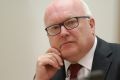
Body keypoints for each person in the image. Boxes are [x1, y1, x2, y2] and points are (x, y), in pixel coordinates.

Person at [34, 0, 120, 80]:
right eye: (55, 27)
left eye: (71, 22)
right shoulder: (47, 72)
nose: (63, 33)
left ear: (91, 25)